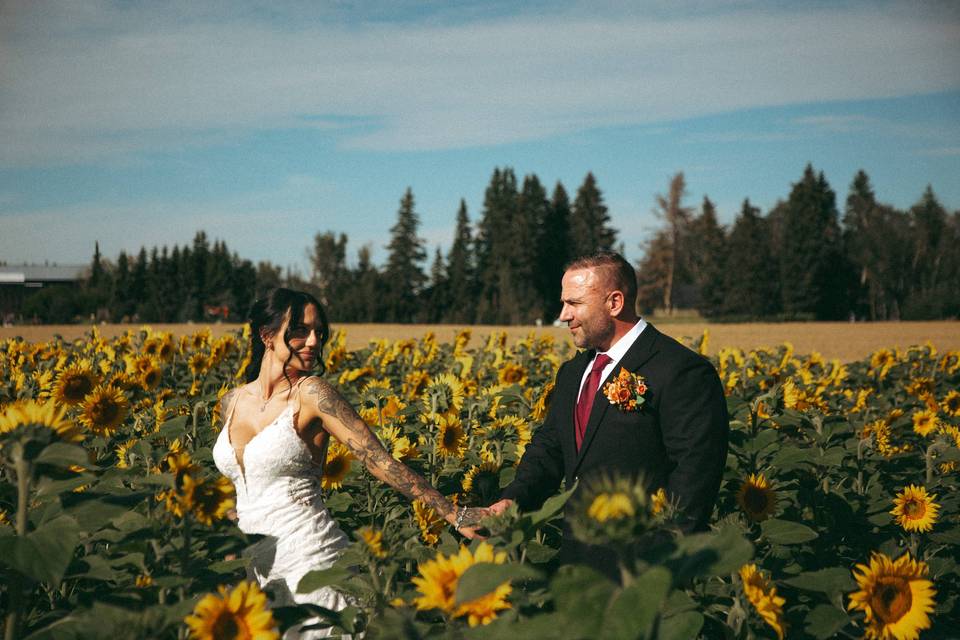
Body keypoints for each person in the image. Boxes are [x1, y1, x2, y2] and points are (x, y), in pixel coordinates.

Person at [212, 288, 486, 638]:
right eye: (300, 330)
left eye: (319, 333)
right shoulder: (231, 401)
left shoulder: (311, 394)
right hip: (258, 570)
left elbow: (378, 460)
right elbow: (245, 489)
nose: (313, 341)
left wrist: (452, 513)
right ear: (267, 335)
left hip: (311, 559)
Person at [489, 251, 728, 580]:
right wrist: (512, 500)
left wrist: (661, 561)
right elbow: (551, 447)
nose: (563, 315)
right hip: (577, 563)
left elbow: (694, 475)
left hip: (643, 566)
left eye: (574, 303)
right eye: (563, 303)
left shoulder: (679, 370)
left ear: (614, 303)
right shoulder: (573, 372)